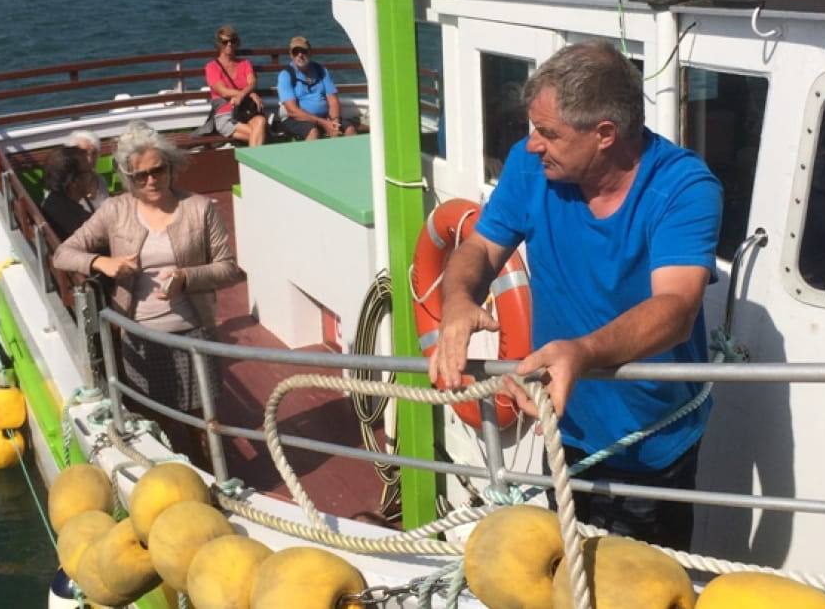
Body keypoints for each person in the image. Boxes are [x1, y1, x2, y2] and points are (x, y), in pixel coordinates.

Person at [428, 41, 722, 550]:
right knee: (575, 571)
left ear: (605, 134)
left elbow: (676, 309)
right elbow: (479, 248)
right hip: (565, 430)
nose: (533, 144)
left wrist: (582, 352)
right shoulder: (531, 166)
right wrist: (457, 301)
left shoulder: (683, 187)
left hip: (649, 445)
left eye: (549, 133)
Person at [53, 121, 242, 465]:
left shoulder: (199, 209)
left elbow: (228, 268)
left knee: (205, 421)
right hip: (139, 337)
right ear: (128, 178)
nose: (151, 180)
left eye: (158, 170)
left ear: (171, 167)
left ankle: (213, 482)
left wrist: (186, 277)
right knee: (155, 421)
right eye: (140, 176)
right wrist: (101, 263)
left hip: (194, 333)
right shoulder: (115, 211)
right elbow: (63, 254)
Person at [276, 35, 357, 141]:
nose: (300, 55)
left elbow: (333, 100)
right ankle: (309, 157)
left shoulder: (321, 70)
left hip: (324, 117)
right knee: (312, 132)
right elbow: (292, 111)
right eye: (296, 52)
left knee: (349, 129)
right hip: (296, 119)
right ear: (291, 55)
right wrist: (323, 123)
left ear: (310, 52)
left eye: (303, 51)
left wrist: (335, 121)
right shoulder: (286, 75)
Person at [203, 25, 268, 147]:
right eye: (225, 42)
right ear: (218, 44)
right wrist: (249, 93)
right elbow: (223, 92)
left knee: (260, 122)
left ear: (237, 43)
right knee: (259, 134)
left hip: (245, 112)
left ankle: (250, 165)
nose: (229, 45)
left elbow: (252, 82)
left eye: (232, 41)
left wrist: (243, 94)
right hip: (225, 115)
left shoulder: (245, 63)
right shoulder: (212, 67)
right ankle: (253, 164)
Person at [40, 146, 96, 239]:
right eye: (89, 171)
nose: (93, 175)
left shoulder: (49, 202)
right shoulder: (83, 224)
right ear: (74, 181)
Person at [65, 130, 111, 211]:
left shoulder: (101, 180)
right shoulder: (66, 185)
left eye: (94, 153)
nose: (90, 159)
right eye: (83, 153)